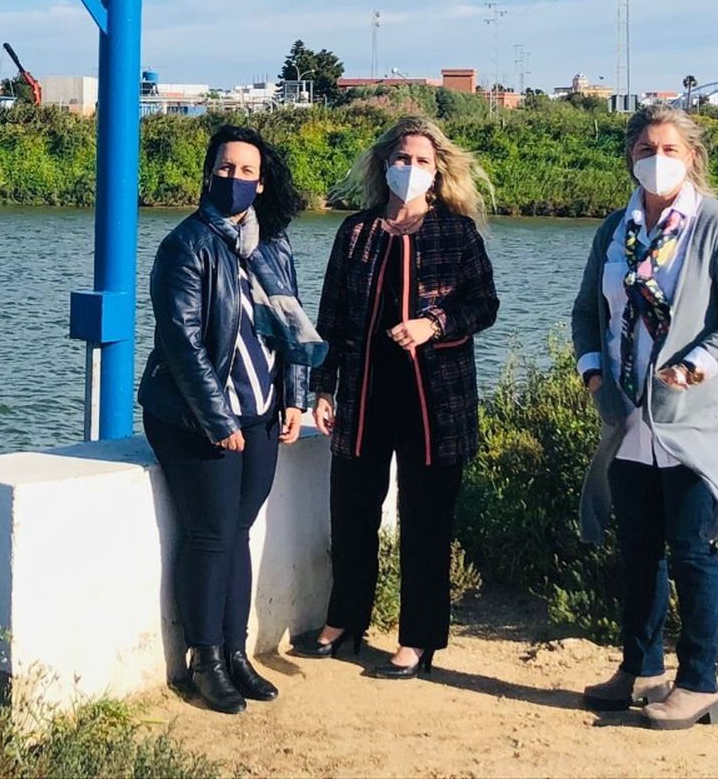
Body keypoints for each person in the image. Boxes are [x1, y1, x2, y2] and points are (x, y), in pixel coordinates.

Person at [574, 104, 718, 730]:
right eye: (647, 148)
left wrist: (695, 365)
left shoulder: (717, 226)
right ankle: (642, 668)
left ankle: (701, 682)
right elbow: (585, 312)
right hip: (628, 419)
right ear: (630, 156)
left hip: (692, 421)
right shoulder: (614, 229)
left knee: (692, 552)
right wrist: (594, 371)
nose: (657, 159)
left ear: (691, 157)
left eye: (671, 149)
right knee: (637, 553)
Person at [293, 116, 498, 679]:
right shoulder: (356, 232)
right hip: (363, 396)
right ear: (383, 166)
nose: (410, 169)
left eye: (422, 162)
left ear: (438, 174)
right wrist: (323, 385)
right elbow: (330, 315)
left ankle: (419, 639)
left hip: (435, 404)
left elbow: (484, 304)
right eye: (402, 159)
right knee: (351, 510)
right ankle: (346, 620)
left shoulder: (456, 234)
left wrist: (434, 324)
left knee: (426, 519)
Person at [138, 124, 326, 714]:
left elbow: (292, 328)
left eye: (247, 171)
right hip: (195, 417)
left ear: (261, 182)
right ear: (208, 173)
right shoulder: (185, 246)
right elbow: (183, 342)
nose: (235, 179)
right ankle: (205, 660)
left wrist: (293, 397)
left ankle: (236, 652)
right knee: (211, 534)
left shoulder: (272, 246)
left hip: (262, 410)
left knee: (237, 533)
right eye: (225, 168)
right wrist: (218, 419)